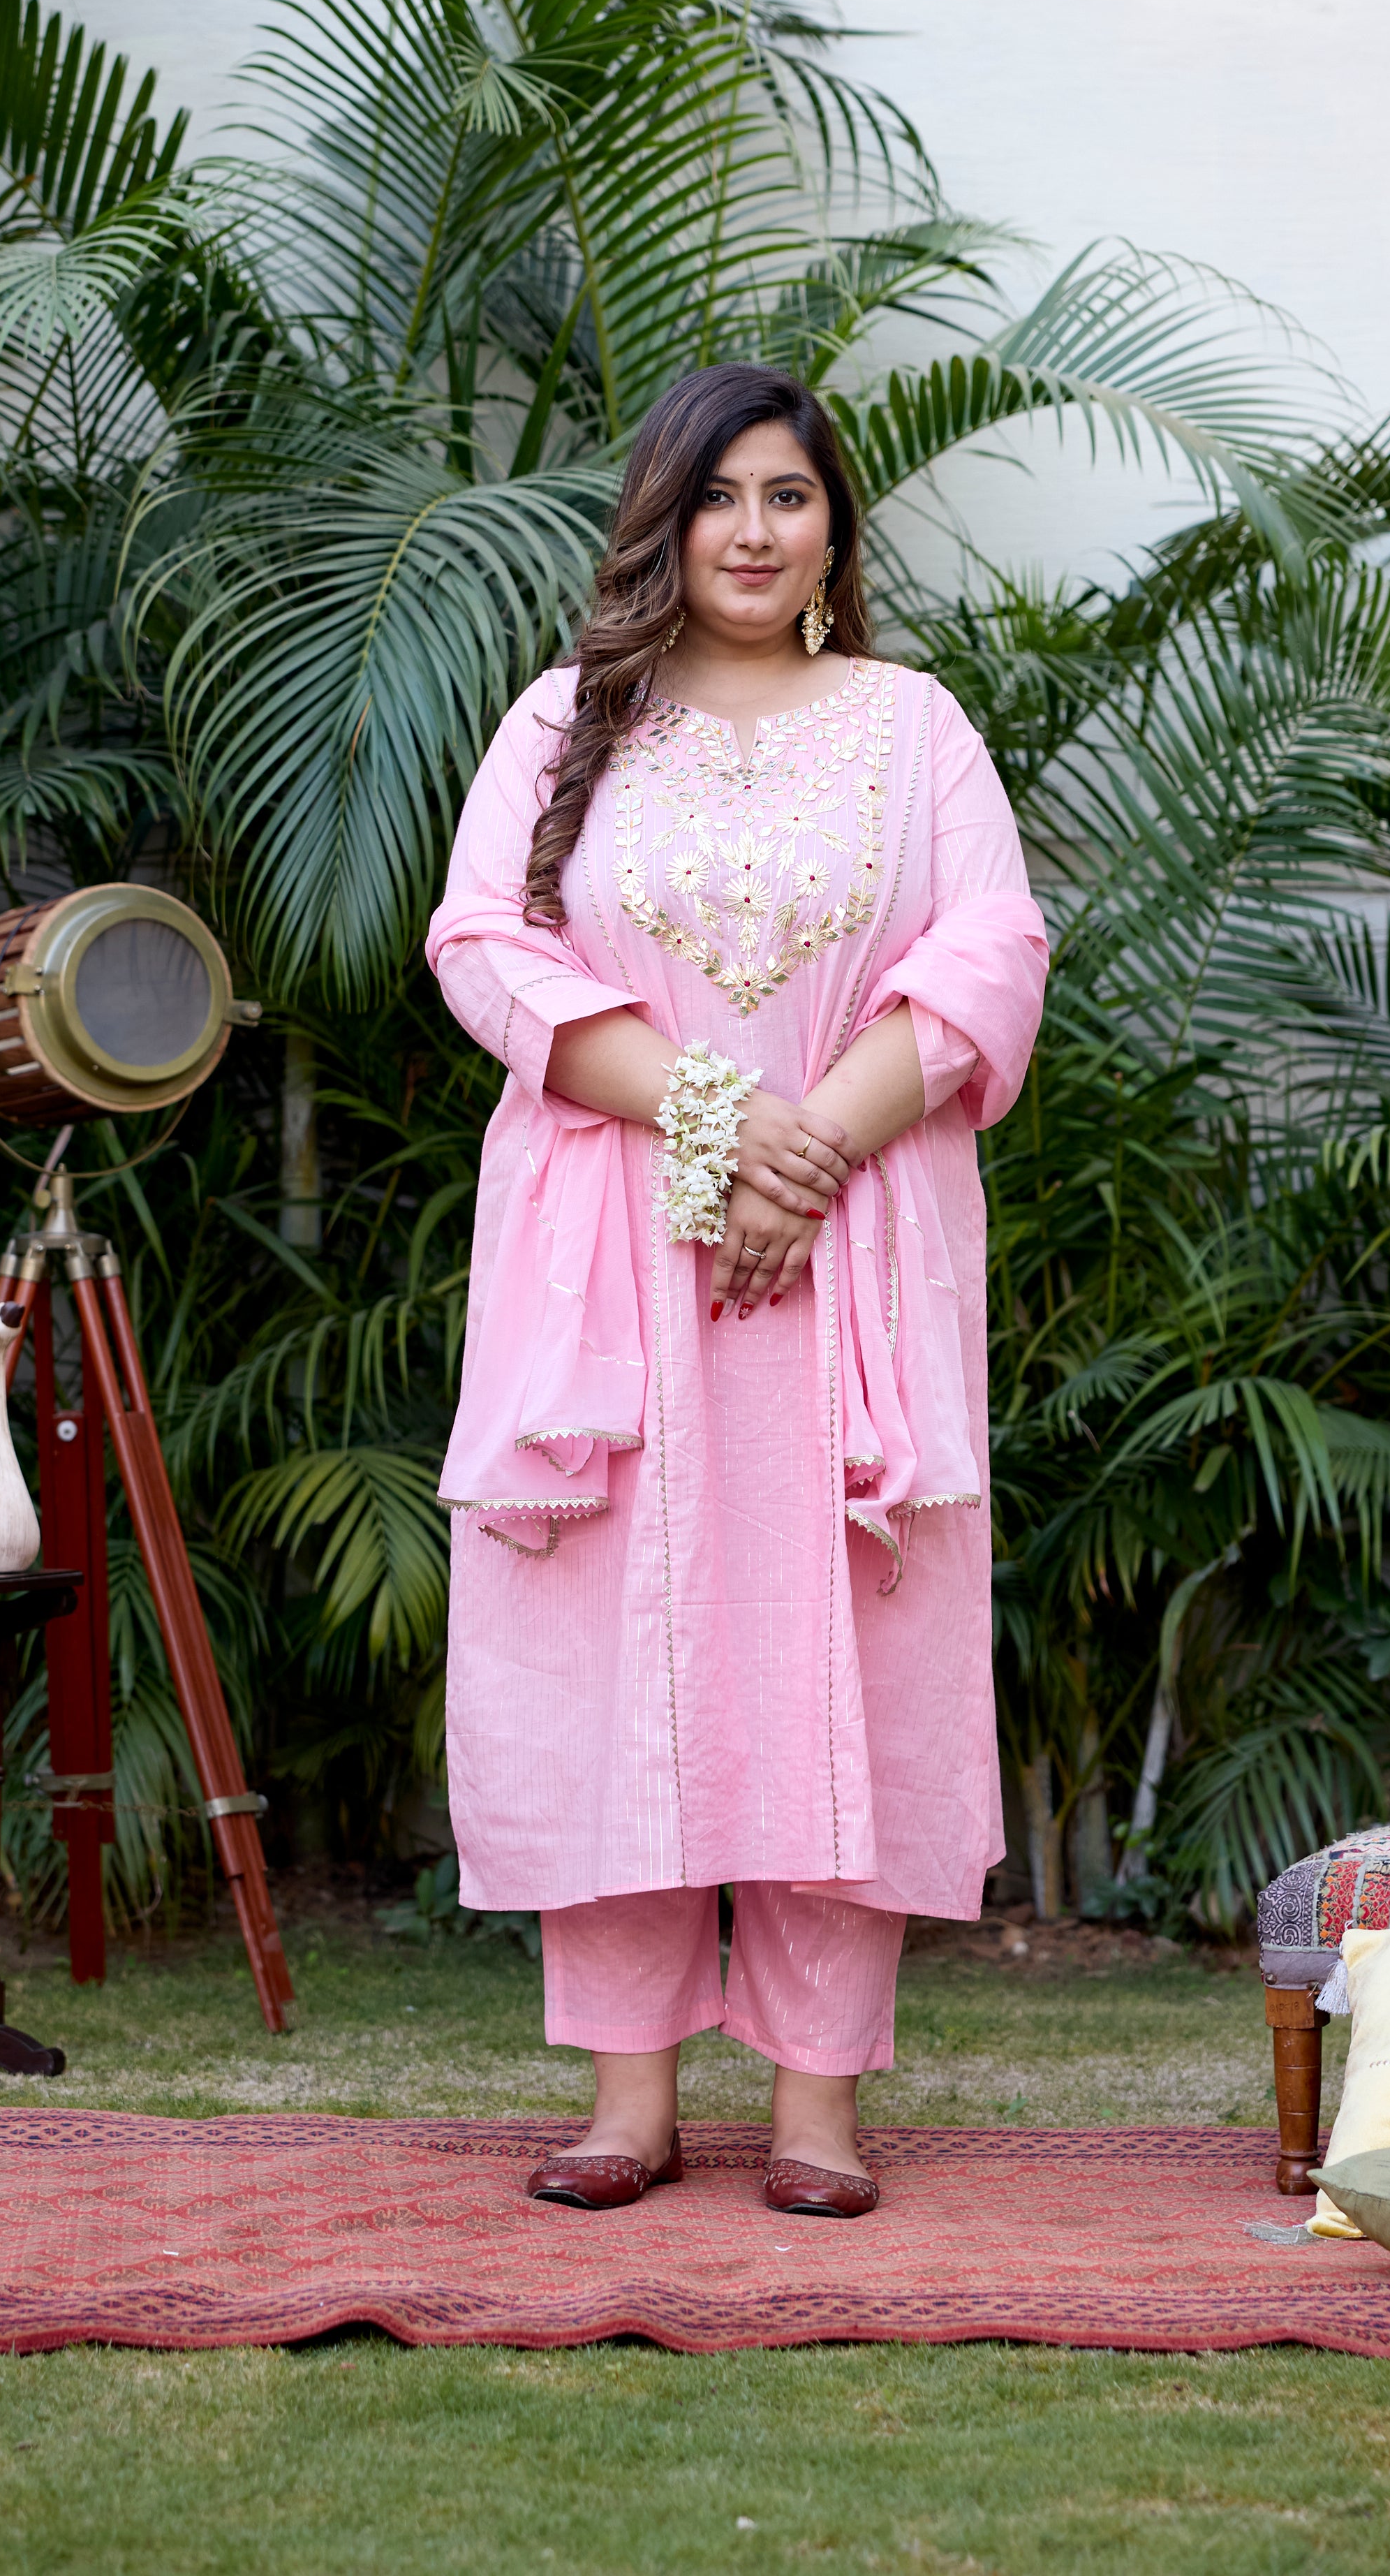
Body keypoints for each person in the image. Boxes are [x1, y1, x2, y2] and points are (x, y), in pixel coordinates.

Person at [425, 362, 1048, 2218]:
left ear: (835, 528)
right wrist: (712, 1127)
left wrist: (810, 1150)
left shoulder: (915, 728)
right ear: (663, 520)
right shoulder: (568, 723)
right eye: (718, 497)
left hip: (850, 1250)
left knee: (840, 1642)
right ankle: (628, 2104)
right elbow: (483, 945)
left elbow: (995, 949)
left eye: (789, 495)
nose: (755, 532)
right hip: (619, 1253)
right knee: (615, 1643)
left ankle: (817, 2110)